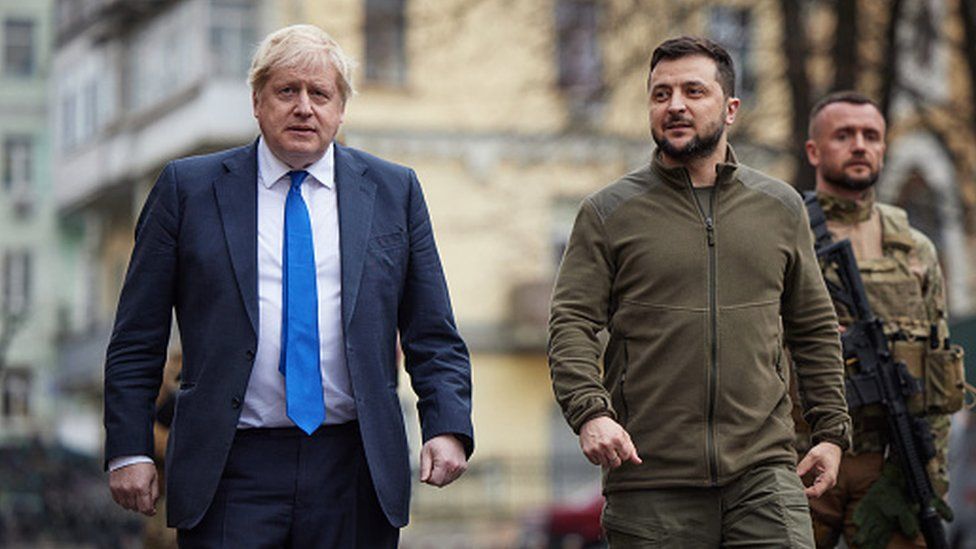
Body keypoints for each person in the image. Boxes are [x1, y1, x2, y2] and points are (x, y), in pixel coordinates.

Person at [104, 24, 473, 548]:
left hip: (354, 469)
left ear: (341, 109)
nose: (304, 107)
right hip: (229, 469)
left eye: (320, 93)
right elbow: (136, 336)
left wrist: (447, 424)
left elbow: (432, 331)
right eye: (287, 91)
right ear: (257, 101)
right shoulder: (188, 191)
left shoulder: (395, 192)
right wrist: (130, 449)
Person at [547, 36, 852, 547]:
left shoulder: (779, 207)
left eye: (693, 91)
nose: (676, 106)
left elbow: (813, 327)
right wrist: (591, 412)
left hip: (764, 474)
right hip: (650, 479)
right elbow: (571, 323)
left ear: (730, 108)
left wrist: (830, 434)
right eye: (661, 94)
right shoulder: (608, 213)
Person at [800, 91, 965, 548]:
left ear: (883, 149)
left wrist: (929, 472)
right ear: (814, 150)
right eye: (844, 135)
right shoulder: (784, 235)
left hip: (888, 465)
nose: (859, 145)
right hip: (798, 458)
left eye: (870, 136)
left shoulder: (914, 249)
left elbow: (939, 371)